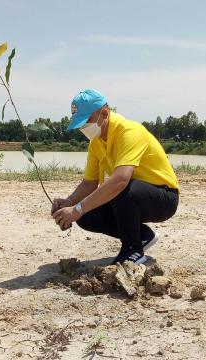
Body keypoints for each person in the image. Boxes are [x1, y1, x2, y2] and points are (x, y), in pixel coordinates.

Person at [51, 89, 179, 264]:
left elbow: (120, 180)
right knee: (86, 215)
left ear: (104, 113)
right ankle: (143, 236)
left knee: (118, 186)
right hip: (129, 196)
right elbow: (89, 183)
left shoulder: (129, 131)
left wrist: (76, 209)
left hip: (163, 198)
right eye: (79, 125)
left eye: (85, 122)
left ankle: (133, 249)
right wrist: (70, 203)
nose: (82, 128)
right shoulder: (96, 143)